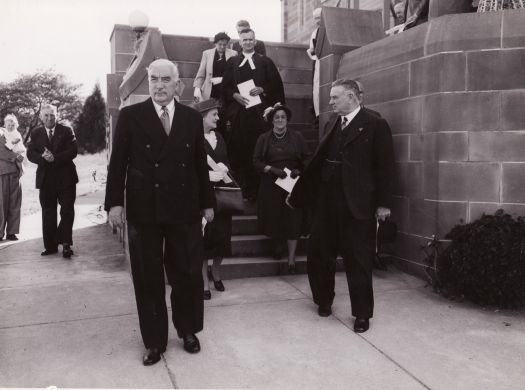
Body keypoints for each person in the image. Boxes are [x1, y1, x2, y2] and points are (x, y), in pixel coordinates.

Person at [104, 59, 215, 366]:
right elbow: (118, 164)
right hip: (145, 209)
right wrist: (115, 203)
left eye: (166, 79)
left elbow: (199, 166)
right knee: (147, 276)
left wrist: (207, 203)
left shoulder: (192, 118)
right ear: (148, 82)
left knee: (189, 274)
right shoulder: (130, 116)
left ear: (177, 84)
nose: (159, 85)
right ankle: (154, 341)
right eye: (154, 79)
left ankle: (188, 330)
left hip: (185, 208)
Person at [288, 79, 394, 333]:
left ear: (352, 97)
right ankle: (323, 301)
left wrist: (384, 204)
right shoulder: (332, 123)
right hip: (327, 203)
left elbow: (386, 167)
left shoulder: (375, 124)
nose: (330, 102)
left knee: (358, 260)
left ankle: (362, 314)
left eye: (335, 98)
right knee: (319, 254)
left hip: (357, 206)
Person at [222, 28, 285, 200]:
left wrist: (263, 89)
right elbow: (225, 87)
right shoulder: (233, 62)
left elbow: (277, 85)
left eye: (251, 39)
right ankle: (243, 190)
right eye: (245, 40)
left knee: (259, 149)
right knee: (240, 150)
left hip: (259, 115)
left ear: (255, 41)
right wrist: (235, 95)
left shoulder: (265, 62)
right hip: (239, 115)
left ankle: (259, 191)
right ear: (239, 43)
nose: (248, 42)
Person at [253, 103, 310, 273]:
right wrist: (272, 169)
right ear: (272, 120)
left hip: (292, 184)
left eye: (283, 117)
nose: (279, 120)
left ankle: (291, 260)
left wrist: (299, 170)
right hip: (271, 184)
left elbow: (307, 159)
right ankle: (278, 245)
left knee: (293, 219)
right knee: (275, 216)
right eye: (276, 117)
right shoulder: (263, 138)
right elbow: (255, 162)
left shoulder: (297, 137)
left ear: (287, 120)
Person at [193, 99, 233, 300]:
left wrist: (225, 169)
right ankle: (204, 281)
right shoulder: (192, 138)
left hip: (222, 197)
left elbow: (226, 160)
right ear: (202, 117)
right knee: (204, 241)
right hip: (202, 197)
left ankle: (216, 273)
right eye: (214, 115)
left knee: (222, 240)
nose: (218, 118)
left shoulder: (219, 136)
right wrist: (207, 176)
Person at [27, 105, 78, 258]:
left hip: (66, 178)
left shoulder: (67, 130)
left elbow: (73, 151)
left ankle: (66, 244)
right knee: (48, 212)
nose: (49, 118)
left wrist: (55, 158)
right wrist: (42, 158)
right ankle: (50, 247)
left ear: (57, 115)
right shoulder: (36, 133)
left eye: (52, 115)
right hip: (46, 179)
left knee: (67, 211)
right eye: (46, 115)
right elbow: (30, 153)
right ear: (41, 117)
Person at [193, 32, 237, 104]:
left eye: (225, 45)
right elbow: (201, 73)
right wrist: (197, 88)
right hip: (210, 91)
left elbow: (235, 74)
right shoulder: (207, 53)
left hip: (226, 91)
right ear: (215, 43)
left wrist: (222, 79)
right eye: (220, 44)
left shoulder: (234, 54)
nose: (222, 47)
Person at [0, 114, 25, 241]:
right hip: (2, 172)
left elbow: (21, 150)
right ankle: (0, 233)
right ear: (4, 124)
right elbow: (1, 150)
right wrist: (16, 156)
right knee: (2, 203)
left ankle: (12, 232)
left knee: (15, 202)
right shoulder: (0, 132)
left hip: (15, 171)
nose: (10, 125)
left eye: (12, 124)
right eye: (8, 123)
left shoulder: (17, 133)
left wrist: (20, 158)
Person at [306, 8, 322, 124]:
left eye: (319, 18)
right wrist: (312, 50)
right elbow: (312, 51)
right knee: (316, 90)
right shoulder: (314, 33)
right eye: (315, 18)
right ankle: (318, 115)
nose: (317, 21)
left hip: (326, 62)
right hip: (318, 62)